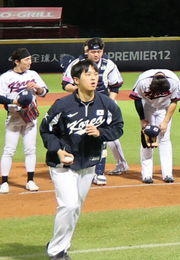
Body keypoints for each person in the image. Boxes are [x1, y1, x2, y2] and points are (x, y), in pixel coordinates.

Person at [41, 59, 124, 260]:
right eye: (88, 74)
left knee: (76, 208)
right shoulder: (63, 105)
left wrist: (101, 133)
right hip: (63, 163)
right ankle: (56, 252)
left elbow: (118, 127)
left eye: (95, 74)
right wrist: (58, 150)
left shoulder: (106, 104)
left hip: (89, 163)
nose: (93, 77)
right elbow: (46, 131)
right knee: (68, 205)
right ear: (76, 80)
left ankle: (60, 244)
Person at [61, 38, 126, 184]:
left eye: (99, 51)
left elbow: (115, 87)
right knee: (78, 134)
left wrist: (109, 103)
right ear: (87, 51)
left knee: (101, 137)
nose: (96, 54)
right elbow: (65, 85)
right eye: (93, 51)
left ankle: (99, 172)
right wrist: (81, 87)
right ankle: (80, 168)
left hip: (103, 105)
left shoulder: (109, 64)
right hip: (80, 105)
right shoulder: (77, 64)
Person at [0, 48, 49, 194]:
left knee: (30, 150)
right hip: (14, 117)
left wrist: (37, 87)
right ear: (17, 62)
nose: (30, 62)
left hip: (30, 118)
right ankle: (4, 182)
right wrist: (14, 101)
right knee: (9, 150)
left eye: (30, 59)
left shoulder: (33, 75)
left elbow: (44, 92)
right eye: (27, 60)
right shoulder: (6, 77)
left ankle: (30, 180)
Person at [130, 69, 180, 183]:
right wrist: (142, 118)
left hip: (164, 108)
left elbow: (174, 101)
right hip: (147, 106)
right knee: (148, 138)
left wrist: (166, 121)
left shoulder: (174, 81)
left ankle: (167, 174)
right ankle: (147, 175)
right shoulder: (143, 81)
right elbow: (137, 99)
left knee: (164, 138)